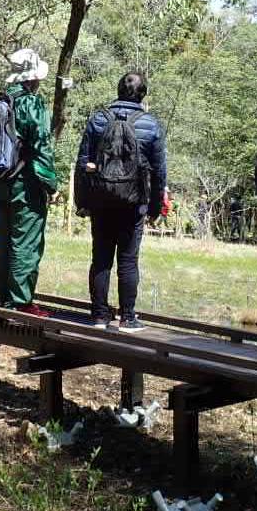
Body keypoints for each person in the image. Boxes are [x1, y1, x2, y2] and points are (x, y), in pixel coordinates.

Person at [75, 71, 167, 332]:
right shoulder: (150, 124)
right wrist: (155, 207)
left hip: (101, 201)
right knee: (128, 260)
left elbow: (82, 163)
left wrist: (82, 201)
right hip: (134, 202)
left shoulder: (99, 119)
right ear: (142, 94)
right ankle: (128, 318)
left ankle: (99, 316)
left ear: (117, 90)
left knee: (101, 258)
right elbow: (159, 172)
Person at [0, 48, 58, 315]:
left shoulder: (2, 100)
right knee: (26, 242)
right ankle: (22, 302)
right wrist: (51, 184)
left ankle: (6, 296)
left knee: (6, 240)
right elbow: (41, 146)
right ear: (33, 77)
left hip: (0, 182)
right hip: (25, 183)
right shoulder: (32, 103)